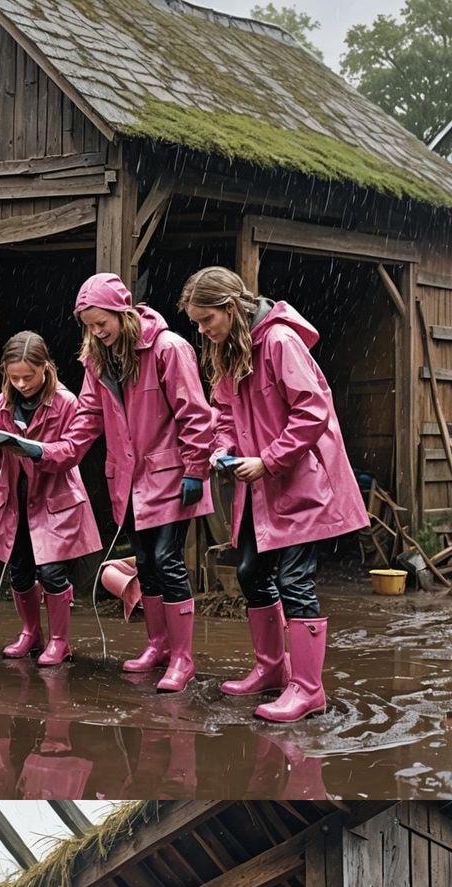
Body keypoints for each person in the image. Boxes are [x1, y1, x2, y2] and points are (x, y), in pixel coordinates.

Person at [180, 266, 367, 721]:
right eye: (197, 323)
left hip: (300, 481)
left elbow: (313, 410)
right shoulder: (228, 351)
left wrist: (268, 460)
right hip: (260, 487)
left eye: (206, 320)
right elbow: (223, 411)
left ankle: (308, 690)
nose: (202, 331)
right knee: (249, 571)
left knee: (294, 581)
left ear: (229, 308)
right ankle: (271, 668)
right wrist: (223, 448)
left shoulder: (280, 342)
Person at [39, 274, 217, 691]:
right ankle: (158, 645)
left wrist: (196, 469)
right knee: (147, 564)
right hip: (128, 480)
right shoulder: (98, 361)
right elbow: (87, 418)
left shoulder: (168, 349)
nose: (96, 331)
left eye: (102, 322)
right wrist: (54, 453)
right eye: (89, 325)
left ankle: (183, 659)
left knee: (168, 562)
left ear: (123, 311)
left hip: (171, 475)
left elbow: (195, 413)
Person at [0, 331, 101, 666]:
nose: (22, 384)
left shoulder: (66, 403)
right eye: (14, 378)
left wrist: (35, 450)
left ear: (45, 368)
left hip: (55, 499)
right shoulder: (2, 404)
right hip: (14, 498)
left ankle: (59, 641)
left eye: (28, 376)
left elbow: (72, 451)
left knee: (53, 572)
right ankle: (30, 633)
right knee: (20, 570)